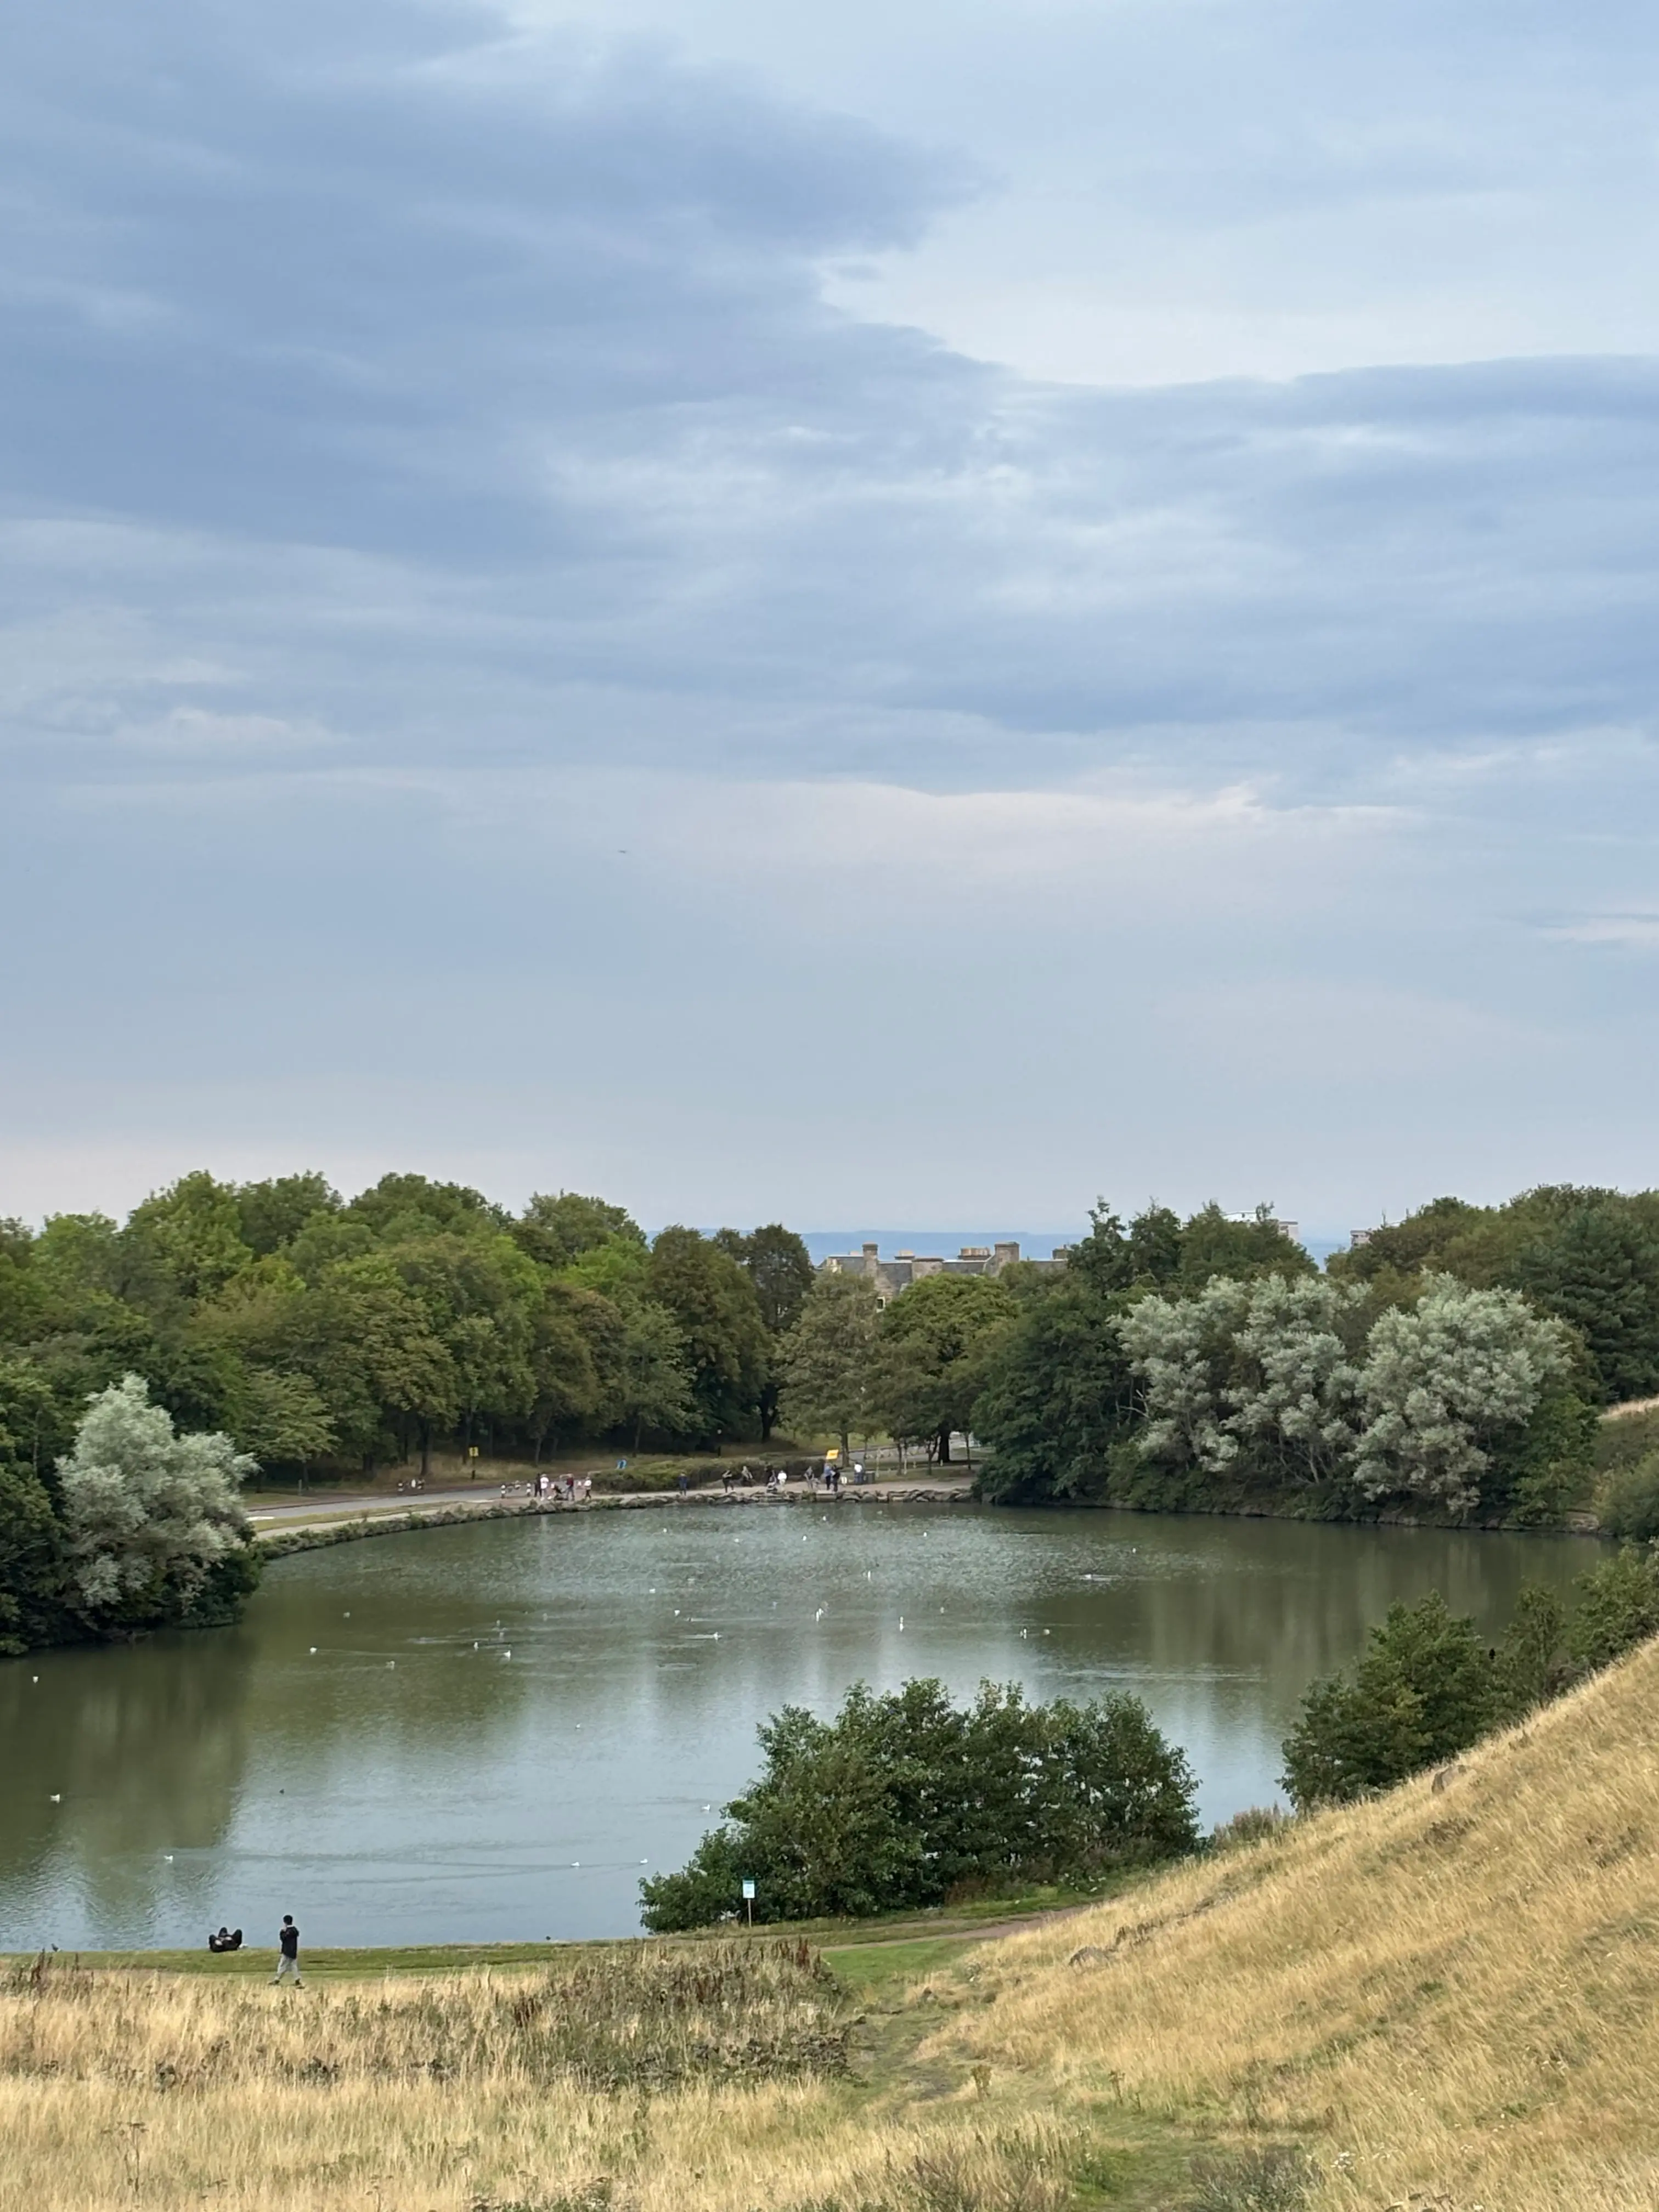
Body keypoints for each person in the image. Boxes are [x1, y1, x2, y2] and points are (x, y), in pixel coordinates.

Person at [272, 1914, 303, 1988]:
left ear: (285, 1922)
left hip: (287, 1951)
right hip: (294, 1951)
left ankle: (277, 1979)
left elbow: (283, 1938)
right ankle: (297, 1979)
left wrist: (283, 1932)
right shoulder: (295, 1930)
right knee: (293, 1966)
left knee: (282, 1965)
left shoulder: (287, 1931)